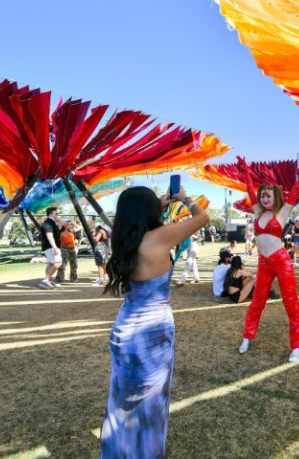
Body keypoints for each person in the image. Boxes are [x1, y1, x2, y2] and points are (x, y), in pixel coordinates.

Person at [100, 185, 207, 458]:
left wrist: (158, 202)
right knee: (150, 405)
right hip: (153, 332)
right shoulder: (159, 237)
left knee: (121, 403)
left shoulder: (123, 237)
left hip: (124, 328)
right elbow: (202, 218)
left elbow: (138, 215)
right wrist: (184, 197)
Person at [237, 156, 299, 362]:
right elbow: (248, 191)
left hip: (281, 261)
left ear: (275, 198)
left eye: (268, 196)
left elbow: (296, 190)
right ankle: (247, 337)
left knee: (290, 302)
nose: (264, 199)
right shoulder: (257, 212)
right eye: (262, 196)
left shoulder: (282, 213)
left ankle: (298, 345)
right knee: (256, 302)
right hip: (264, 262)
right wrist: (245, 169)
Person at [38, 207, 62, 290]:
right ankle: (45, 280)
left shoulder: (51, 222)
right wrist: (55, 247)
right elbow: (49, 236)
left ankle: (48, 280)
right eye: (56, 213)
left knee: (51, 263)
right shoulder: (48, 223)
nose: (57, 215)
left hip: (49, 246)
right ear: (51, 214)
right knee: (58, 263)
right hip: (50, 246)